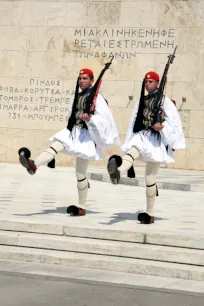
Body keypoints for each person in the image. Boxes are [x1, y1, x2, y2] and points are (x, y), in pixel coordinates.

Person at [19, 68, 120, 216]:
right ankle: (34, 165)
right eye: (80, 78)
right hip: (73, 131)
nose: (81, 81)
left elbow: (104, 119)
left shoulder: (98, 98)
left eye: (85, 78)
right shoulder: (77, 96)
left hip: (87, 135)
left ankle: (81, 206)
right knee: (56, 145)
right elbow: (71, 114)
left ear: (92, 81)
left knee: (80, 173)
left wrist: (90, 118)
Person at [107, 71, 186, 224]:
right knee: (132, 151)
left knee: (150, 179)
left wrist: (162, 127)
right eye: (146, 81)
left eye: (151, 81)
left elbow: (174, 123)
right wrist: (129, 138)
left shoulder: (165, 102)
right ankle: (118, 172)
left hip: (156, 140)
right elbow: (134, 120)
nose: (147, 84)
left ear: (158, 83)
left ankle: (149, 214)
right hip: (143, 135)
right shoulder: (141, 101)